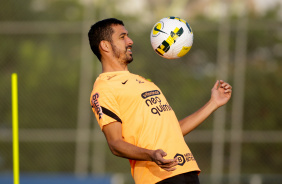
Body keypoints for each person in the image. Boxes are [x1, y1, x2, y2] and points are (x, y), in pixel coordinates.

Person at [88, 18, 232, 184]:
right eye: (122, 37)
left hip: (186, 170)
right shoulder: (104, 88)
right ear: (105, 46)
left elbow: (173, 131)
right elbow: (115, 144)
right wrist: (151, 155)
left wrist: (213, 103)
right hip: (158, 177)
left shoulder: (143, 81)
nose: (130, 41)